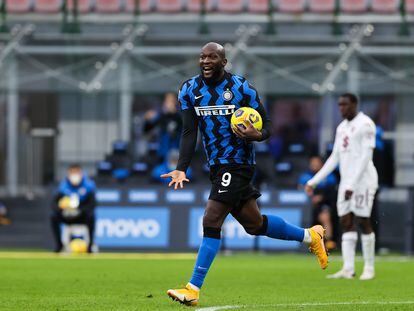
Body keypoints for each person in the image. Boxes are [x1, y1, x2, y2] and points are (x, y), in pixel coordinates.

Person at [162, 42, 328, 306]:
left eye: (212, 57)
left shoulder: (241, 88)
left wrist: (258, 135)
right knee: (255, 225)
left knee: (211, 219)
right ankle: (311, 235)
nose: (205, 61)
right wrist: (181, 166)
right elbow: (189, 131)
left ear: (224, 62)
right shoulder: (189, 89)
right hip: (216, 165)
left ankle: (193, 288)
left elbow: (268, 125)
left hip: (238, 163)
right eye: (202, 57)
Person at [305, 93, 378, 281]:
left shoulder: (366, 124)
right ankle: (348, 268)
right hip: (347, 182)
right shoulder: (341, 128)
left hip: (363, 181)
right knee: (346, 221)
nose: (341, 109)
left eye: (345, 105)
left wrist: (353, 183)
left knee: (363, 220)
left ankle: (369, 267)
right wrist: (314, 181)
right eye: (339, 105)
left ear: (354, 104)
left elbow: (366, 157)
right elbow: (334, 158)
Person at [50, 164, 97, 253]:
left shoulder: (88, 186)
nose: (74, 175)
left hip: (81, 215)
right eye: (72, 173)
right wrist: (62, 209)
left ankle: (89, 246)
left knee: (91, 216)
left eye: (77, 172)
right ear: (68, 174)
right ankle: (59, 245)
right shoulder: (63, 187)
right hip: (67, 215)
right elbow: (53, 204)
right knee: (53, 217)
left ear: (81, 173)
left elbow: (92, 204)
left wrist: (79, 211)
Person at [299, 155, 338, 250]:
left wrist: (322, 197)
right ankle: (312, 243)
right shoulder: (305, 176)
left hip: (325, 203)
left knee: (325, 216)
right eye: (312, 163)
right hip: (309, 204)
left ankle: (329, 241)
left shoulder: (329, 176)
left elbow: (333, 191)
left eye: (317, 163)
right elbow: (300, 188)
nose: (314, 165)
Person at [144, 92, 183, 161]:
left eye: (172, 101)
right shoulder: (161, 115)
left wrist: (175, 113)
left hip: (178, 152)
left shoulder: (180, 114)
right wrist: (147, 120)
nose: (169, 104)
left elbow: (186, 124)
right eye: (167, 102)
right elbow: (147, 129)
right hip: (163, 152)